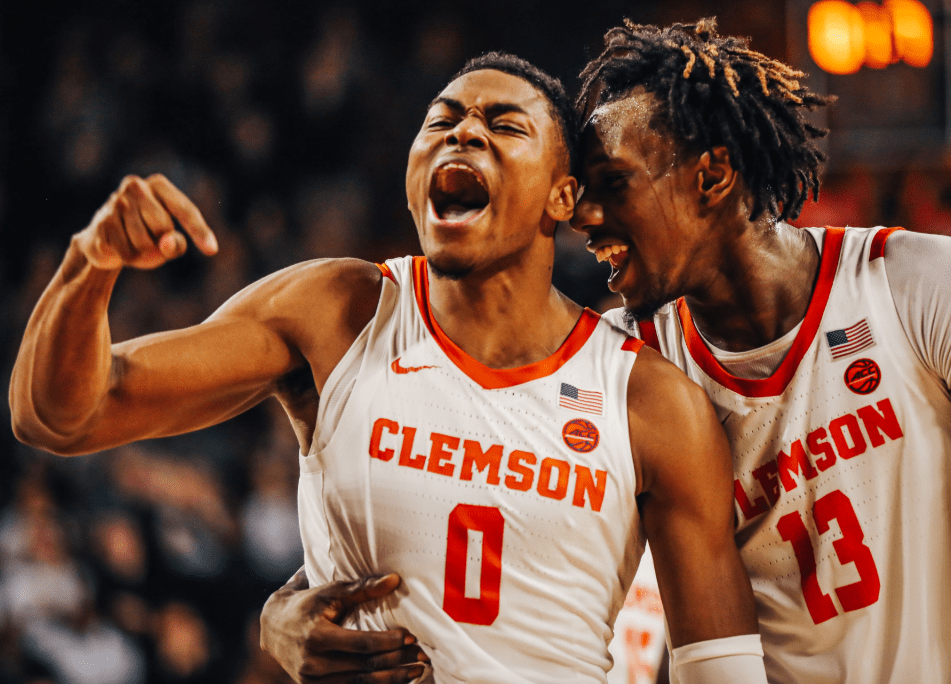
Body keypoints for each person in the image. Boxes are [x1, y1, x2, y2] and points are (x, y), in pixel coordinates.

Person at [9, 53, 764, 683]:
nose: (464, 131)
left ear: (562, 196)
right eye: (441, 122)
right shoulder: (336, 311)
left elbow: (723, 669)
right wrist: (89, 265)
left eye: (504, 124)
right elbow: (62, 416)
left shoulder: (648, 399)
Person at [569, 18, 951, 684]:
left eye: (613, 183)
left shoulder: (927, 286)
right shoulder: (627, 371)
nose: (584, 216)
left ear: (712, 175)